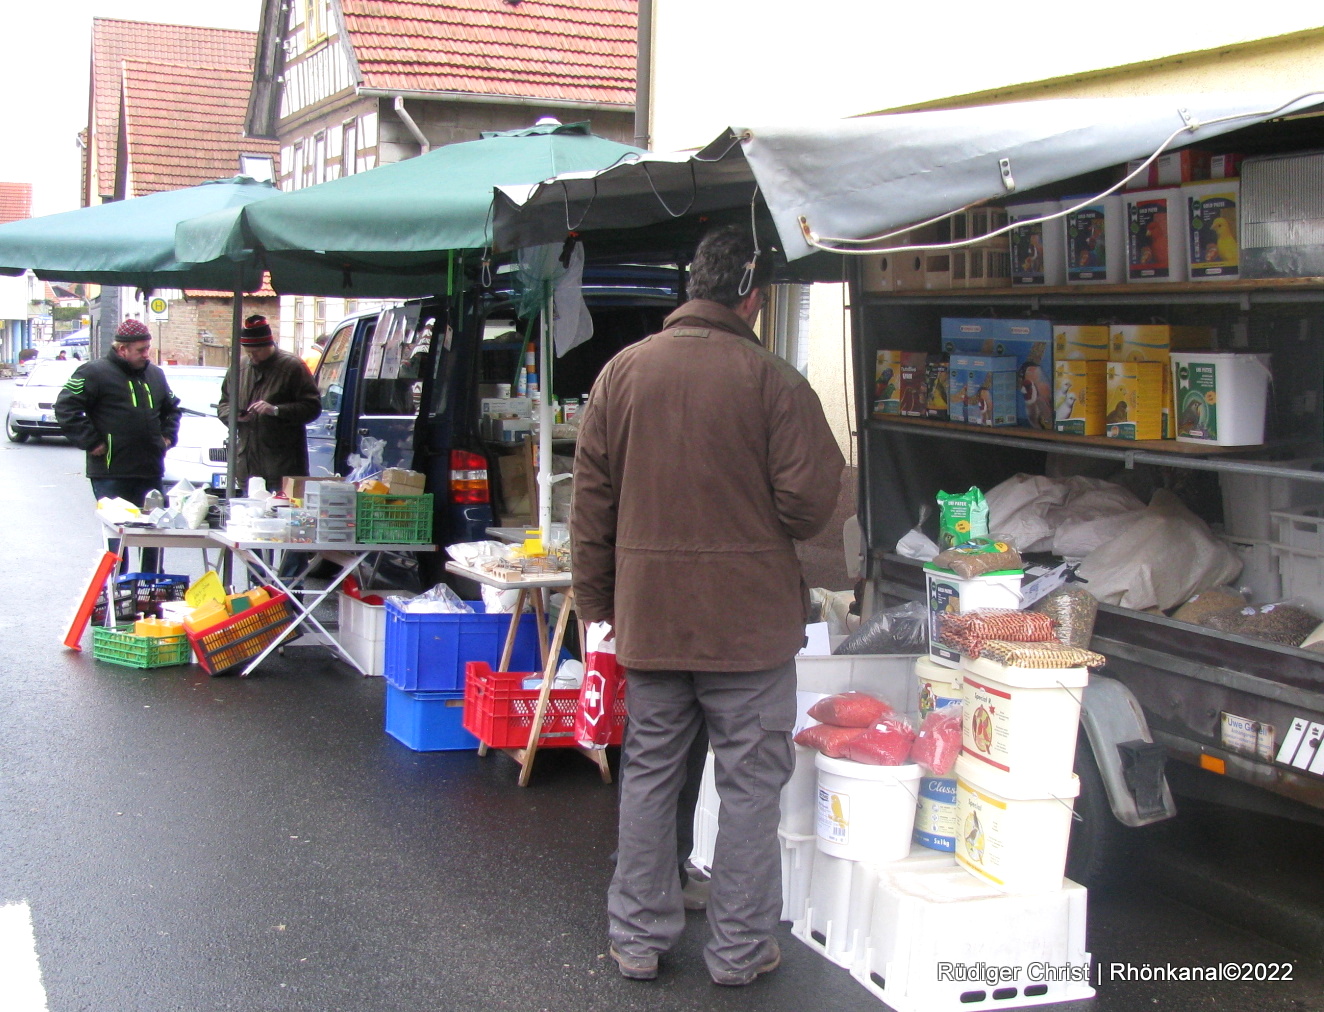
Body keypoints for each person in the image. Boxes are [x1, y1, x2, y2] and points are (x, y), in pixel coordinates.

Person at [572, 225, 844, 986]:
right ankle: (738, 950)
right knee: (751, 788)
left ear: (692, 287)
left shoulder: (622, 374)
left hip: (651, 620)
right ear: (752, 299)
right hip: (748, 632)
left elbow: (590, 507)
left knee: (653, 774)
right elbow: (810, 503)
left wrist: (598, 605)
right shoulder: (774, 381)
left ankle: (636, 938)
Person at [55, 318, 182, 571]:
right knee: (117, 540)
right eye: (141, 350)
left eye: (148, 348)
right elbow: (66, 407)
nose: (146, 354)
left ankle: (150, 587)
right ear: (122, 349)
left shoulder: (155, 374)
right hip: (112, 471)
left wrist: (167, 437)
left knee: (154, 535)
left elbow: (172, 409)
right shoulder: (93, 372)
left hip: (150, 470)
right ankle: (117, 592)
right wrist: (91, 442)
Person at [217, 315, 322, 494]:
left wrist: (276, 410)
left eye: (256, 352)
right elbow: (223, 404)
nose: (252, 356)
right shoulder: (240, 368)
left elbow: (312, 407)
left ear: (269, 345)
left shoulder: (292, 367)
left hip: (283, 468)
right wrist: (235, 415)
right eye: (248, 352)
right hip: (248, 467)